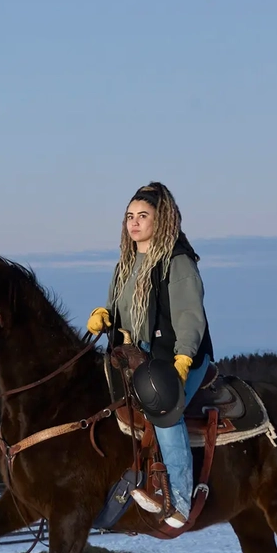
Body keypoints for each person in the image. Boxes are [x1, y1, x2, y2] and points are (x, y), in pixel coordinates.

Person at [87, 182, 214, 528]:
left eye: (143, 216)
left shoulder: (177, 261)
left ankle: (179, 502)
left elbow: (190, 316)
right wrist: (106, 317)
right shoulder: (125, 265)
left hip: (175, 356)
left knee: (164, 410)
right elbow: (123, 313)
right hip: (137, 356)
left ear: (162, 221)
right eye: (130, 216)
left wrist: (183, 359)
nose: (134, 222)